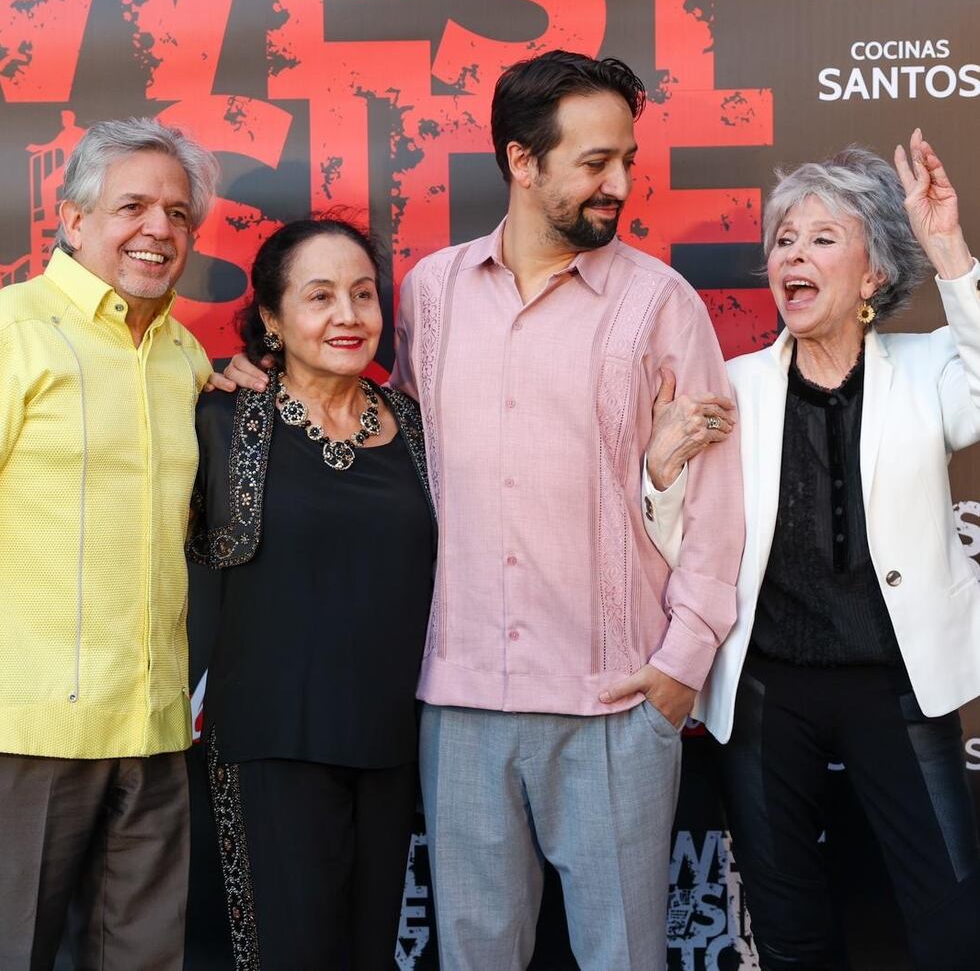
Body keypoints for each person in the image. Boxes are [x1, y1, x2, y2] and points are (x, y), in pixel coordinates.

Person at [218, 50, 744, 969]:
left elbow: (716, 500)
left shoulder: (662, 304)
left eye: (626, 158)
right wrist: (258, 387)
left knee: (626, 955)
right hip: (457, 708)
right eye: (593, 162)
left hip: (615, 701)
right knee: (472, 955)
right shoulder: (431, 293)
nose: (619, 183)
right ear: (521, 161)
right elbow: (385, 444)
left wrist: (679, 666)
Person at [636, 132, 980, 969]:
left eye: (823, 237)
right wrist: (661, 471)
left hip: (897, 687)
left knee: (950, 914)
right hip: (765, 691)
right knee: (788, 927)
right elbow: (682, 543)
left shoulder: (929, 368)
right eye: (783, 239)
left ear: (871, 277)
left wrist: (948, 248)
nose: (794, 252)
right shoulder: (733, 384)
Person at [0, 118, 217, 969]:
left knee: (143, 958)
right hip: (29, 729)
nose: (158, 229)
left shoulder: (185, 357)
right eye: (133, 205)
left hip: (155, 728)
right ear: (73, 218)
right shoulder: (14, 330)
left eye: (177, 213)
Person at [189, 217, 435, 968]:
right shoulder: (222, 417)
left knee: (368, 954)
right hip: (269, 750)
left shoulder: (419, 427)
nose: (348, 316)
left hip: (390, 751)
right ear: (272, 317)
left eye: (363, 295)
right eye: (320, 296)